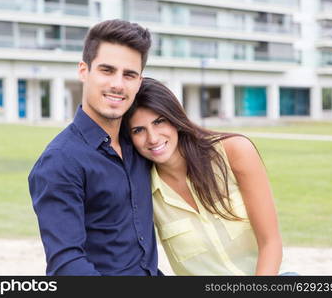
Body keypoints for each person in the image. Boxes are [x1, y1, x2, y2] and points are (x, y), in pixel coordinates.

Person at [28, 20, 160, 275]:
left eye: (129, 74)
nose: (118, 84)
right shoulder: (60, 161)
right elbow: (66, 265)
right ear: (83, 71)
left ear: (139, 81)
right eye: (107, 70)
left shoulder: (139, 145)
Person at [123, 77, 291, 276]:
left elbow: (270, 242)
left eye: (159, 122)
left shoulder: (234, 151)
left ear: (175, 119)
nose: (153, 138)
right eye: (138, 130)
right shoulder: (140, 188)